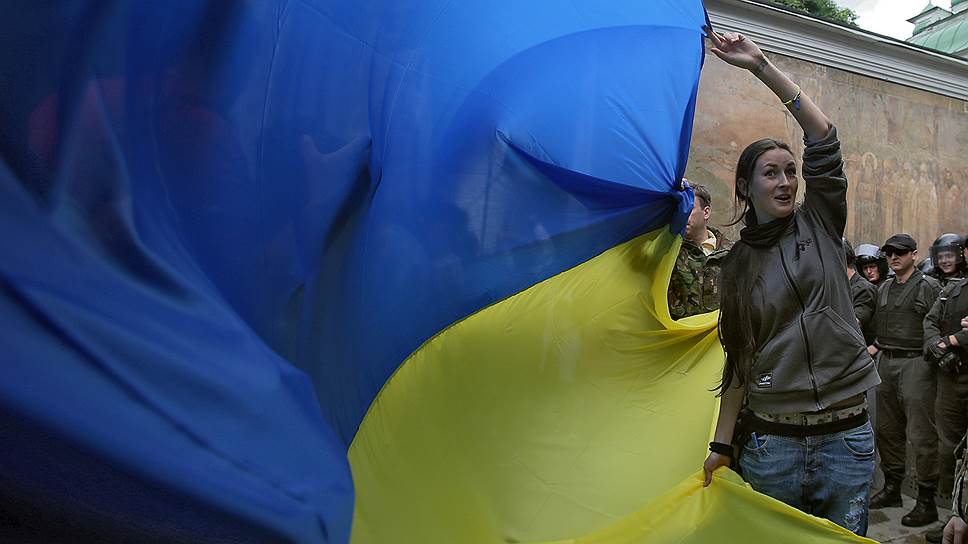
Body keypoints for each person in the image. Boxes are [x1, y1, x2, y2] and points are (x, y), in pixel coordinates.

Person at [700, 29, 880, 536]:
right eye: (770, 173)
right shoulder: (735, 266)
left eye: (791, 172)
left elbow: (824, 138)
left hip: (846, 438)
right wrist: (721, 445)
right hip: (771, 445)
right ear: (745, 186)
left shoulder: (819, 222)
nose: (785, 182)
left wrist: (761, 67)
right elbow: (739, 360)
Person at [867, 234, 941, 527]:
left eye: (900, 252)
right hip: (886, 361)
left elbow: (938, 325)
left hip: (916, 363)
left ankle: (926, 500)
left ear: (914, 254)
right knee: (887, 429)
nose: (894, 257)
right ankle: (892, 489)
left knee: (921, 433)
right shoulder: (885, 287)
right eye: (889, 253)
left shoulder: (928, 286)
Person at [925, 235, 968, 543]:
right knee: (949, 449)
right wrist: (940, 349)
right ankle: (955, 516)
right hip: (951, 379)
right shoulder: (953, 290)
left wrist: (952, 341)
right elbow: (929, 322)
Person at [668, 181, 731, 320]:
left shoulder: (732, 253)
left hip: (721, 332)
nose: (683, 214)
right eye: (679, 209)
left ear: (706, 212)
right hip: (682, 331)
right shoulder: (669, 252)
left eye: (688, 208)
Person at [846, 238, 878, 345]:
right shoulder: (842, 287)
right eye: (865, 268)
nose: (869, 271)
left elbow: (855, 323)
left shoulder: (864, 289)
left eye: (872, 267)